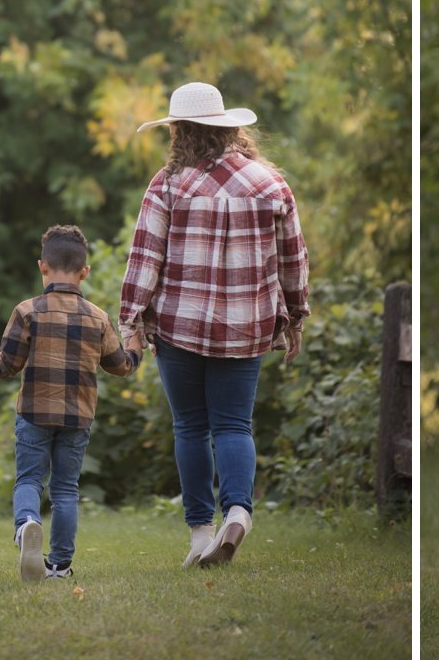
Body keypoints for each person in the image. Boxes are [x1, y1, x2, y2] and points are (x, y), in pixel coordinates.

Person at [117, 81, 309, 569]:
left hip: (180, 326)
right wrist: (296, 315)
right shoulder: (269, 183)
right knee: (234, 424)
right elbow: (294, 258)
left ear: (179, 131)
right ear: (228, 126)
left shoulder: (168, 184)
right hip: (248, 327)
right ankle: (239, 511)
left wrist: (131, 319)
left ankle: (202, 535)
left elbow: (145, 258)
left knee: (190, 427)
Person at [0, 225, 143, 582]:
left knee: (29, 479)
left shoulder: (28, 312)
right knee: (65, 490)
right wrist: (135, 345)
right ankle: (59, 566)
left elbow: (7, 363)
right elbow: (121, 367)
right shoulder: (98, 318)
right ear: (84, 272)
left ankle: (27, 523)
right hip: (78, 418)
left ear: (43, 266)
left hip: (34, 414)